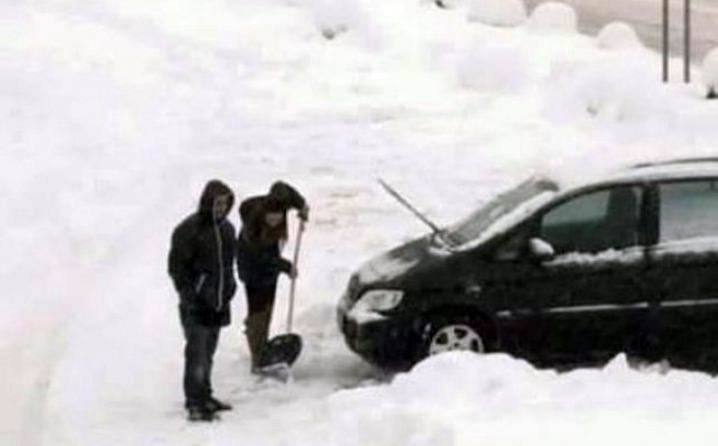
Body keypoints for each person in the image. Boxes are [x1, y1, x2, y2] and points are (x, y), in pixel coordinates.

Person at [168, 180, 237, 422]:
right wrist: (190, 295)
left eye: (225, 204)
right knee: (196, 354)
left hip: (218, 303)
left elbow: (228, 266)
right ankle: (195, 403)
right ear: (207, 201)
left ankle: (206, 395)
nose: (220, 208)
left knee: (208, 353)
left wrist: (230, 288)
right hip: (195, 305)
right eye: (217, 203)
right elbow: (177, 268)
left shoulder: (228, 230)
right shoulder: (189, 230)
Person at [236, 181, 309, 373]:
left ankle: (257, 332)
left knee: (267, 307)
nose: (276, 219)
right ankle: (258, 357)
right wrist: (287, 267)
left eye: (279, 215)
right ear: (263, 214)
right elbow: (264, 258)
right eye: (271, 216)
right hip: (252, 268)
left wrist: (302, 207)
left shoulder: (279, 201)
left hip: (270, 267)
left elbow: (287, 191)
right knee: (259, 310)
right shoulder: (253, 228)